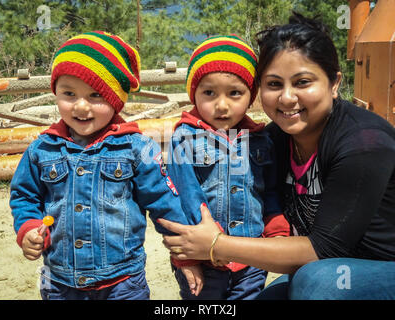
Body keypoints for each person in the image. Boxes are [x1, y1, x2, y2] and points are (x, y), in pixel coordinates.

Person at [159, 13, 395, 300]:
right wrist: (187, 254)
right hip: (325, 268)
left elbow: (325, 250)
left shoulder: (364, 143)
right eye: (274, 84)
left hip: (378, 270)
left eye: (302, 82)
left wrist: (214, 245)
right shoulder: (272, 140)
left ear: (334, 84)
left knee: (316, 282)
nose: (286, 98)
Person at [9, 31, 202, 300]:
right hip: (60, 282)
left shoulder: (135, 148)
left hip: (122, 282)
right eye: (69, 93)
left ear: (115, 99)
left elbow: (163, 203)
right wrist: (28, 228)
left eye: (96, 95)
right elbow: (24, 196)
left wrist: (183, 256)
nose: (81, 106)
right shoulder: (42, 149)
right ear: (55, 92)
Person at [167, 34, 290, 300]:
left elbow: (267, 191)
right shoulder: (184, 139)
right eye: (209, 92)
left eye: (235, 93)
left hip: (251, 258)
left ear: (250, 96)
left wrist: (277, 228)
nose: (222, 105)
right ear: (194, 94)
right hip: (204, 261)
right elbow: (177, 200)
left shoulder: (260, 139)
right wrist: (185, 259)